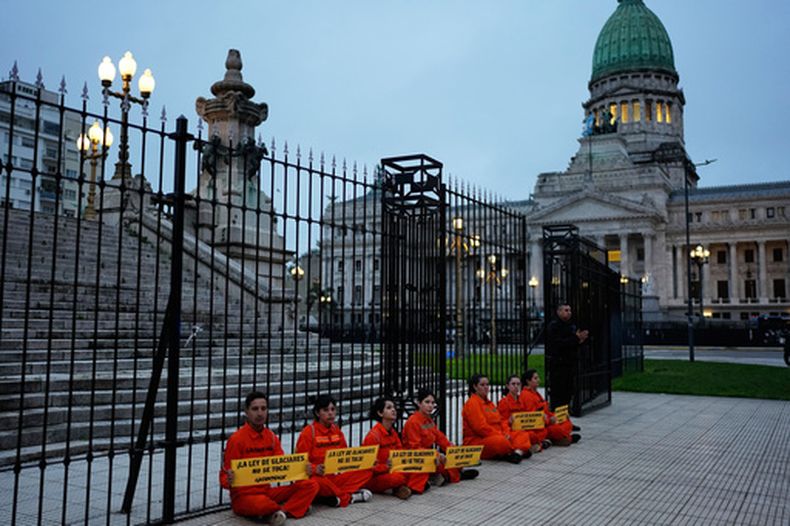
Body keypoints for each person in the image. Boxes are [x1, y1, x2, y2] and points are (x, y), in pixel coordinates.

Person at [220, 391, 319, 525]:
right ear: (246, 412)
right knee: (262, 504)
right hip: (244, 496)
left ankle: (281, 512)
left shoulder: (271, 437)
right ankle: (289, 509)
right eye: (255, 409)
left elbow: (283, 467)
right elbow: (224, 477)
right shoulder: (236, 440)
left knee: (311, 485)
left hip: (266, 491)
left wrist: (304, 469)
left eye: (263, 408)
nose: (260, 413)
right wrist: (229, 479)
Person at [295, 395, 373, 508]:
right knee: (315, 483)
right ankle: (347, 497)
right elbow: (300, 462)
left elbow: (345, 456)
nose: (330, 413)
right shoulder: (308, 432)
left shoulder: (337, 430)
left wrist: (365, 460)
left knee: (367, 471)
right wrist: (314, 468)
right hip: (317, 478)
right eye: (325, 410)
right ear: (317, 413)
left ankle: (326, 497)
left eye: (333, 409)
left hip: (334, 478)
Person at [402, 389, 478, 489]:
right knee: (442, 465)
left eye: (433, 403)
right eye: (427, 402)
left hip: (428, 455)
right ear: (419, 403)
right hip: (416, 457)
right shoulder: (413, 422)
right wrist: (436, 455)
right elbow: (414, 447)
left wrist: (454, 451)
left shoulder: (429, 420)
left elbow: (440, 438)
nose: (430, 406)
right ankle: (448, 476)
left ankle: (443, 476)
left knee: (452, 461)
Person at [462, 374, 530, 463]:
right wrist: (501, 435)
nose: (486, 387)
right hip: (478, 440)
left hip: (497, 434)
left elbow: (501, 421)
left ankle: (516, 452)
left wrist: (505, 432)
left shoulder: (489, 403)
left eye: (487, 385)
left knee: (522, 434)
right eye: (482, 385)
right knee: (501, 442)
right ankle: (517, 450)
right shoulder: (472, 403)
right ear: (475, 387)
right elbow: (480, 428)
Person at [362, 397, 418, 499]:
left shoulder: (393, 432)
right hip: (376, 477)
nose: (393, 410)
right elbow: (367, 466)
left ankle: (400, 488)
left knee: (415, 468)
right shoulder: (373, 436)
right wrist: (385, 466)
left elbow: (400, 453)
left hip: (393, 470)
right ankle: (402, 487)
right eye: (389, 408)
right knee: (397, 478)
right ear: (380, 413)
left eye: (394, 408)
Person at [546, 303, 589, 412]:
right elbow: (558, 344)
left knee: (568, 392)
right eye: (566, 310)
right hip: (558, 364)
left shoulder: (571, 326)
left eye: (569, 310)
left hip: (570, 363)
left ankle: (565, 418)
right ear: (559, 312)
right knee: (558, 392)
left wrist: (580, 340)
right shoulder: (554, 326)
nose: (569, 312)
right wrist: (575, 338)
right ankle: (556, 418)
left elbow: (572, 344)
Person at [520, 369, 580, 446]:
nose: (538, 380)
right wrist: (548, 420)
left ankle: (558, 439)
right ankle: (567, 439)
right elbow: (533, 417)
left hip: (547, 422)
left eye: (538, 378)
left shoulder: (535, 393)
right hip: (540, 427)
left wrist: (556, 416)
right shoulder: (526, 395)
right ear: (528, 381)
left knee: (567, 423)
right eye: (535, 378)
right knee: (556, 429)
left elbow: (546, 411)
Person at [497, 375, 544, 453]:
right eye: (513, 384)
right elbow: (501, 422)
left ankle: (527, 448)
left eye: (518, 384)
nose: (516, 386)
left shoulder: (521, 400)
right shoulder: (504, 402)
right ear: (507, 386)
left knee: (533, 434)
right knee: (523, 436)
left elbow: (527, 416)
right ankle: (523, 449)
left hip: (523, 428)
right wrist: (508, 421)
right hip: (511, 430)